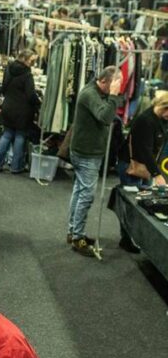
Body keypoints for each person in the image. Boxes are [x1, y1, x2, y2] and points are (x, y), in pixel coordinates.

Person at [67, 66, 123, 257]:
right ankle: (77, 237)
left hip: (87, 151)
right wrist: (113, 96)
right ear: (105, 81)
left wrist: (113, 96)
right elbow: (105, 117)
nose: (118, 87)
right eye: (115, 84)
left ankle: (73, 232)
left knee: (79, 191)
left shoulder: (98, 92)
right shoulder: (90, 94)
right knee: (86, 195)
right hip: (86, 153)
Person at [114, 92, 168, 253]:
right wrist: (157, 174)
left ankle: (138, 237)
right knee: (131, 204)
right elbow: (144, 150)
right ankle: (127, 239)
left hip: (146, 166)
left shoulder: (161, 120)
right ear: (164, 107)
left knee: (145, 204)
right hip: (131, 165)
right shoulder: (145, 120)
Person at [0, 49, 40, 174]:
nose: (32, 63)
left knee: (7, 134)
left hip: (8, 106)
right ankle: (16, 166)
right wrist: (38, 103)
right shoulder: (27, 74)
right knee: (20, 136)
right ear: (25, 59)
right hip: (22, 110)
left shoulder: (9, 69)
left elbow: (3, 88)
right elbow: (30, 95)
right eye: (31, 61)